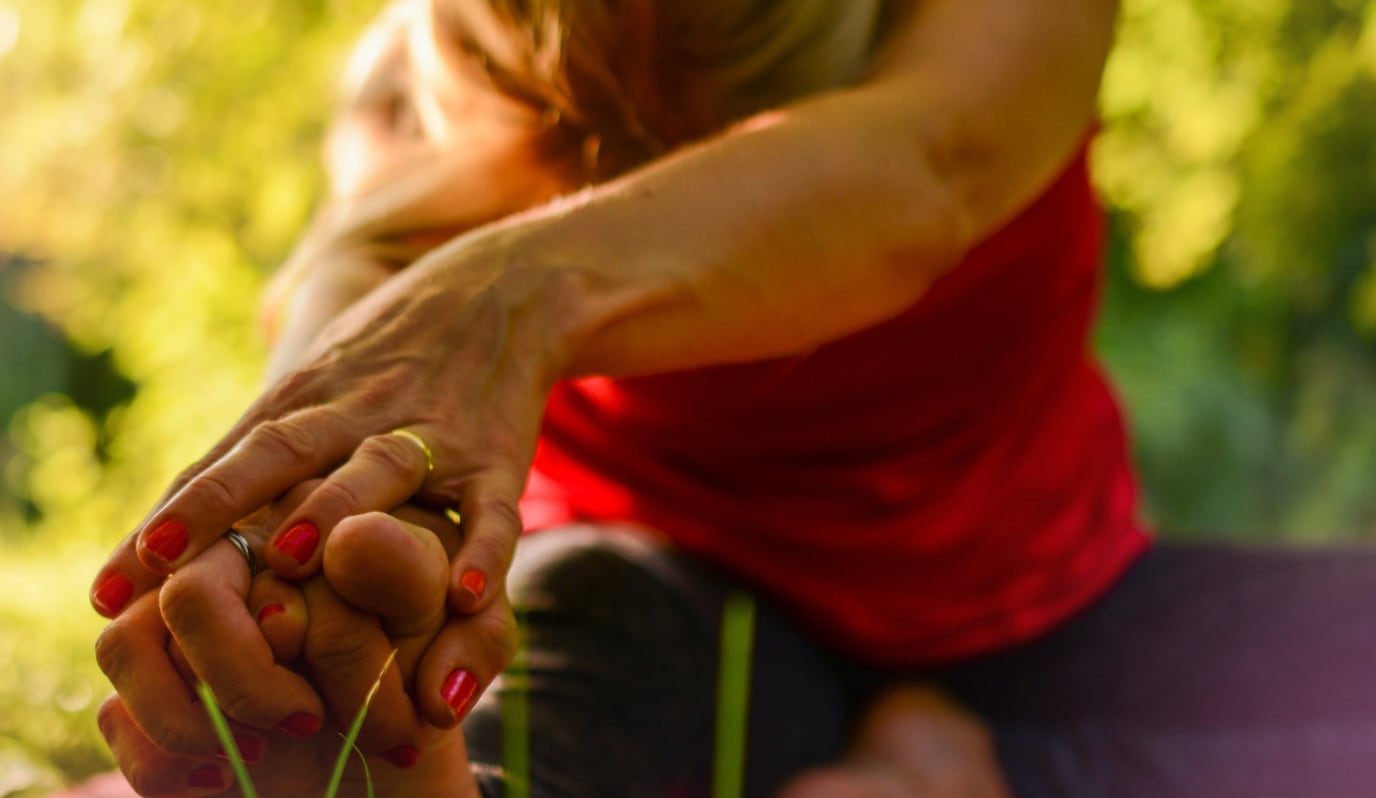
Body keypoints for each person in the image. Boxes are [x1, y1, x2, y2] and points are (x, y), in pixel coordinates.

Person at [84, 0, 1376, 795]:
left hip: (1046, 604)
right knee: (573, 678)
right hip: (667, 585)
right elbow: (347, 306)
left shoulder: (1000, 31)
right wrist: (294, 569)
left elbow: (925, 172)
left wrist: (506, 291)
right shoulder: (419, 94)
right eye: (599, 157)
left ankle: (972, 769)